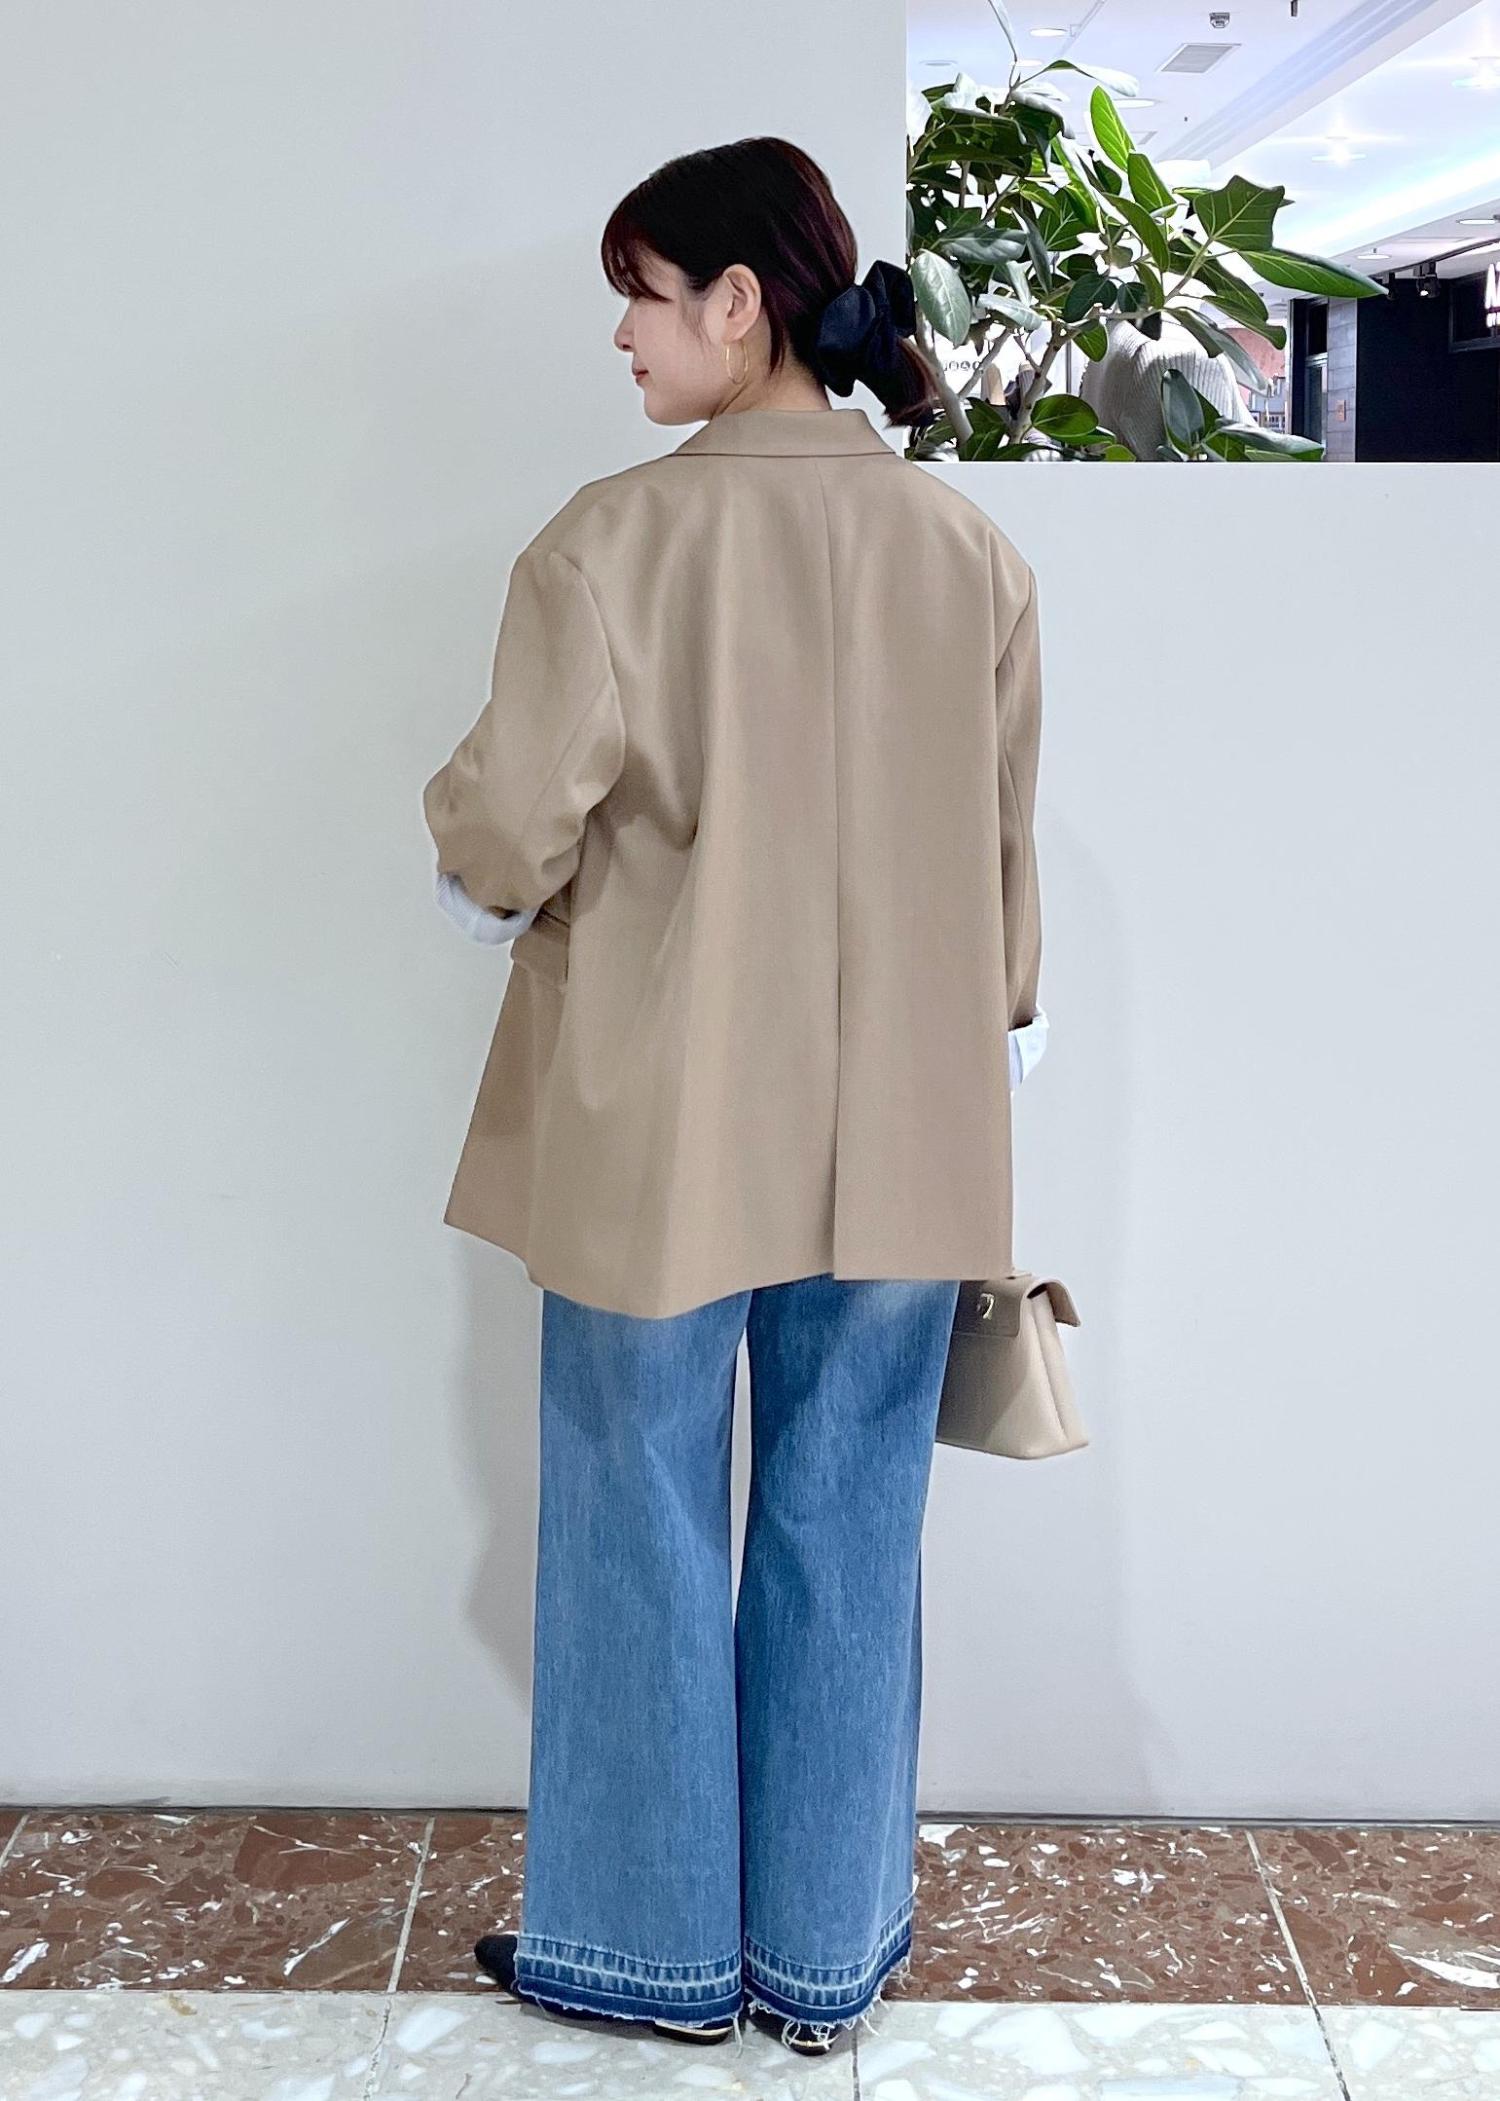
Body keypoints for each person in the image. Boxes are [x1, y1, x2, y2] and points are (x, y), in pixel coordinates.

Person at [421, 136, 1050, 2059]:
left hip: (666, 1107)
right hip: (909, 1117)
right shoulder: (968, 551)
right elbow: (1002, 862)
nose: (622, 334)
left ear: (738, 301)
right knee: (850, 1518)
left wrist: (473, 872)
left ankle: (647, 1954)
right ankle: (824, 1959)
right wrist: (1005, 1014)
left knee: (636, 1506)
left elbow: (509, 824)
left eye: (640, 292)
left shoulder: (611, 543)